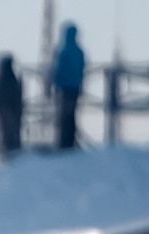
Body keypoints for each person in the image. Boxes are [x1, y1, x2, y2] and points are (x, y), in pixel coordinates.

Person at [52, 22, 86, 151]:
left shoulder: (62, 51)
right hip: (74, 88)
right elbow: (82, 70)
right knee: (71, 115)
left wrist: (54, 85)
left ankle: (63, 143)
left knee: (63, 116)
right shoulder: (79, 51)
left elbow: (57, 70)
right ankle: (70, 142)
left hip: (63, 89)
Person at [0, 54, 25, 156]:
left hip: (5, 110)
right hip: (13, 109)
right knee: (12, 131)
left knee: (7, 131)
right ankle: (13, 149)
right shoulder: (13, 79)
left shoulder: (3, 79)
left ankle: (9, 150)